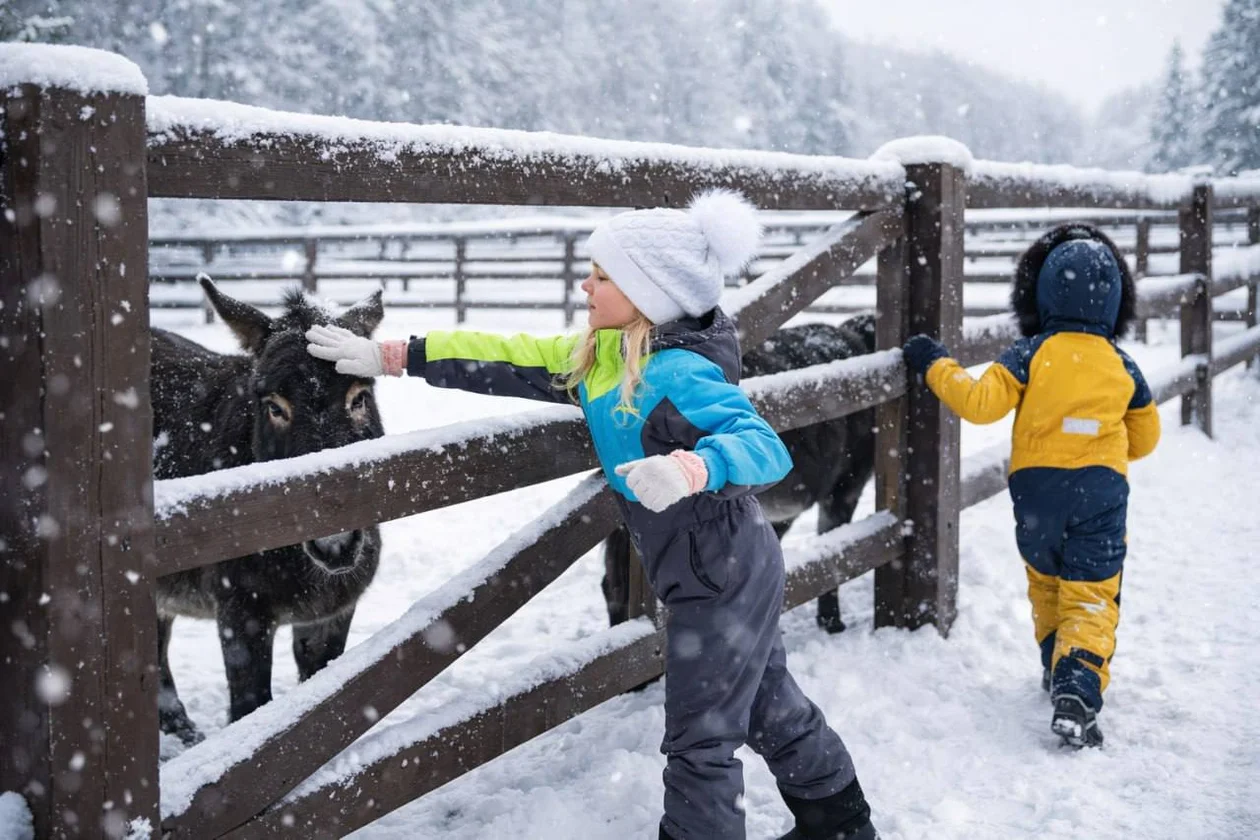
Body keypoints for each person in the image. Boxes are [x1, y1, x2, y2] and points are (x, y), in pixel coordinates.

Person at [306, 189, 878, 839]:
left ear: (649, 293)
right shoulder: (603, 360)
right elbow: (507, 355)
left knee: (700, 738)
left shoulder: (681, 373)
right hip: (708, 570)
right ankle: (840, 822)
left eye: (603, 277)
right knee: (766, 701)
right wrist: (397, 355)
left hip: (725, 573)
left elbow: (763, 448)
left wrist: (692, 468)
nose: (586, 285)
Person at [901, 222, 1161, 748]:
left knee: (1046, 581)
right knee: (1091, 592)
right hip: (1101, 492)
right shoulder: (1123, 366)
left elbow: (979, 404)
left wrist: (934, 364)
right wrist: (1101, 440)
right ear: (1114, 301)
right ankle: (1079, 684)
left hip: (1037, 494)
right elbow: (1145, 439)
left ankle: (1054, 664)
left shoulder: (1031, 353)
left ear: (1041, 293)